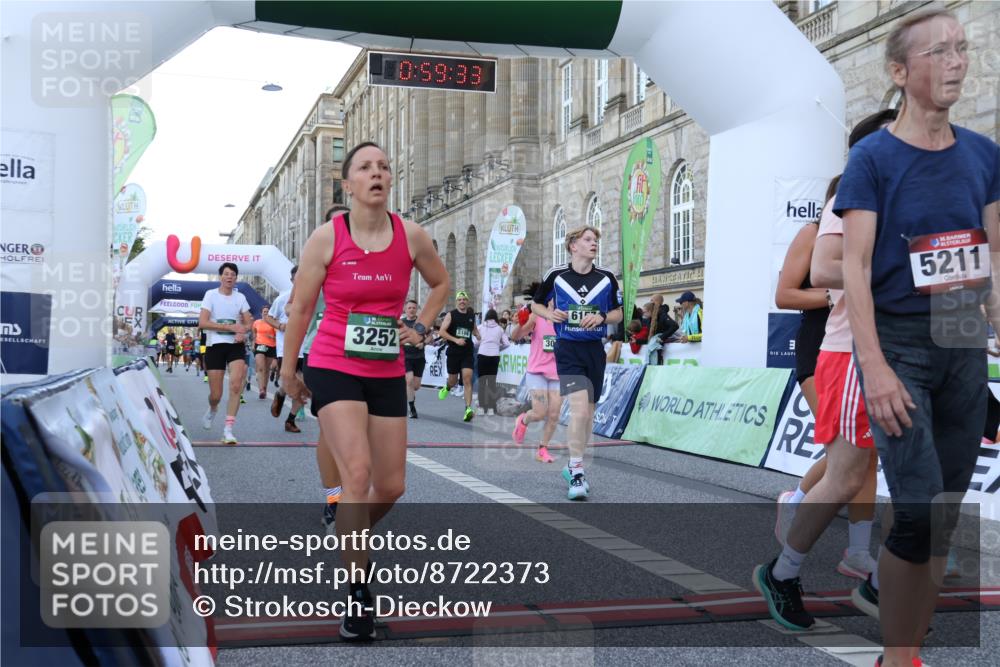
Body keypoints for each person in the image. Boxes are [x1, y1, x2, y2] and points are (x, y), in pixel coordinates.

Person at [839, 10, 999, 665]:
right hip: (898, 337)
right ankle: (899, 655)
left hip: (961, 328)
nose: (957, 62)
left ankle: (902, 643)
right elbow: (852, 267)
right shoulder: (872, 157)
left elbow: (993, 256)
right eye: (939, 52)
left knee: (943, 509)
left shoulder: (985, 155)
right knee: (919, 511)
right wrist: (873, 365)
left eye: (962, 48)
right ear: (901, 73)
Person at [279, 142, 448, 641]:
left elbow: (439, 284)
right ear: (348, 185)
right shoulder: (326, 238)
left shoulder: (410, 235)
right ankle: (358, 593)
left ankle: (347, 532)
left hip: (385, 366)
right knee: (356, 474)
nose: (377, 173)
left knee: (391, 485)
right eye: (365, 167)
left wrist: (419, 325)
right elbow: (301, 309)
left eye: (384, 166)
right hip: (333, 362)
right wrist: (290, 371)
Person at [771, 109, 899, 569]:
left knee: (864, 459)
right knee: (848, 459)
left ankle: (860, 550)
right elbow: (785, 293)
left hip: (878, 345)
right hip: (823, 345)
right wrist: (839, 290)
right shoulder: (817, 229)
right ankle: (799, 500)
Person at [533, 225, 623, 500]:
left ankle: (573, 466)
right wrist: (550, 314)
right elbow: (534, 305)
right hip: (568, 349)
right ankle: (577, 471)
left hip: (594, 350)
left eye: (595, 240)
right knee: (580, 412)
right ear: (573, 245)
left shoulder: (606, 277)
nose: (593, 243)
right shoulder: (556, 275)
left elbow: (619, 313)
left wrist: (602, 318)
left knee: (589, 417)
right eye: (588, 240)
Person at [199, 263, 253, 445]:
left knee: (237, 385)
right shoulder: (210, 295)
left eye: (233, 275)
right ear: (220, 277)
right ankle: (213, 408)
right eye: (226, 274)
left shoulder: (241, 297)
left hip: (235, 346)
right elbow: (203, 323)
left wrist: (242, 331)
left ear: (236, 278)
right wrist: (229, 327)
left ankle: (228, 430)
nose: (230, 277)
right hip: (215, 345)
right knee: (216, 394)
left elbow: (248, 323)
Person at [511, 301, 560, 463]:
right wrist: (521, 323)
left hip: (558, 373)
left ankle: (542, 450)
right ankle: (523, 420)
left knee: (553, 415)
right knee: (539, 413)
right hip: (537, 371)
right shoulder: (537, 315)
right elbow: (515, 336)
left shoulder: (565, 316)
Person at [267, 267, 307, 433]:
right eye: (296, 278)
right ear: (292, 281)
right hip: (287, 350)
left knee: (304, 387)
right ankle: (283, 391)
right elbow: (268, 317)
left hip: (308, 349)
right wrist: (280, 325)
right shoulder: (283, 298)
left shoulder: (314, 297)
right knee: (294, 384)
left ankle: (290, 420)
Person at [437, 290, 480, 422]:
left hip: (467, 352)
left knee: (467, 379)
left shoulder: (471, 315)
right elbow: (441, 332)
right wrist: (456, 340)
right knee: (453, 380)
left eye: (464, 299)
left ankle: (468, 409)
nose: (462, 301)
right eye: (460, 299)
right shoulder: (451, 315)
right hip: (454, 352)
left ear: (467, 302)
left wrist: (478, 335)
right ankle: (448, 387)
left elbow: (474, 328)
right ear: (457, 302)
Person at [475, 309, 510, 416]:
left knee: (482, 382)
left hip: (482, 355)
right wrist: (497, 348)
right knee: (491, 382)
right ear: (495, 317)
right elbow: (507, 343)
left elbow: (475, 342)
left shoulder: (481, 327)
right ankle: (490, 408)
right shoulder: (500, 329)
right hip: (494, 356)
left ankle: (481, 407)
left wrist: (482, 345)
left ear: (486, 317)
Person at [401, 299, 428, 419]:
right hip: (405, 357)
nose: (411, 310)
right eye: (409, 308)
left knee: (415, 386)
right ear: (405, 310)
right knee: (409, 380)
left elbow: (430, 336)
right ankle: (412, 408)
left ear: (417, 309)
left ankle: (409, 393)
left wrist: (423, 343)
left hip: (419, 357)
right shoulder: (401, 322)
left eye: (414, 308)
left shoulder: (421, 323)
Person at [252, 305, 277, 399]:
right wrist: (253, 343)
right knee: (261, 368)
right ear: (261, 313)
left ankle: (264, 388)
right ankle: (261, 390)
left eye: (267, 312)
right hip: (260, 345)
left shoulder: (273, 323)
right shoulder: (256, 322)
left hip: (271, 346)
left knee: (266, 369)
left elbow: (278, 336)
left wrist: (272, 337)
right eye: (264, 311)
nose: (266, 313)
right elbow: (254, 334)